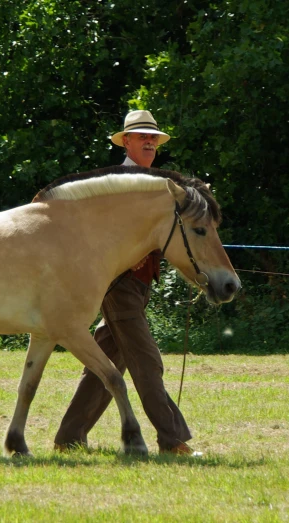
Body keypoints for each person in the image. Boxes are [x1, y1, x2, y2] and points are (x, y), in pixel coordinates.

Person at [53, 110, 201, 457]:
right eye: (142, 137)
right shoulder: (116, 183)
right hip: (117, 284)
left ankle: (69, 438)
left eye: (153, 138)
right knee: (147, 362)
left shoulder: (154, 184)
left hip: (138, 285)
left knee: (105, 363)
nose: (149, 141)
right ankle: (172, 439)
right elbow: (94, 232)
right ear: (127, 142)